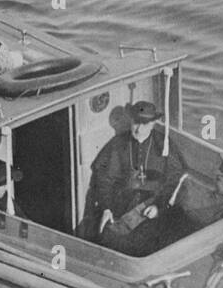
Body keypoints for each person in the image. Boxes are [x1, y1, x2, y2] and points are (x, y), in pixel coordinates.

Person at [78, 101, 186, 243]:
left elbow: (174, 179)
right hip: (123, 203)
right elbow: (105, 179)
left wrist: (159, 206)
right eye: (136, 123)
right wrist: (106, 208)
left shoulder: (164, 144)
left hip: (153, 202)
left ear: (153, 123)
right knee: (108, 236)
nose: (139, 129)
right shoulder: (118, 144)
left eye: (145, 124)